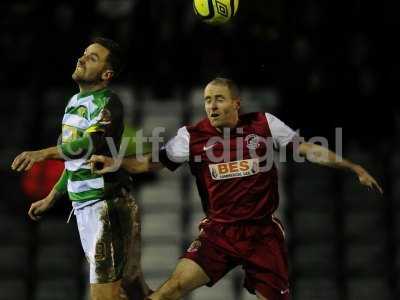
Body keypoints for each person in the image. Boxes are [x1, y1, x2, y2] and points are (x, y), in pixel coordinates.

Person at [88, 77, 383, 300]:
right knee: (171, 289)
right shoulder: (191, 138)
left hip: (262, 234)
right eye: (207, 100)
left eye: (218, 99)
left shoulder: (264, 125)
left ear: (236, 104)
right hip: (220, 234)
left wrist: (353, 167)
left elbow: (306, 149)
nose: (211, 106)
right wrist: (114, 162)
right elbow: (149, 164)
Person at [11, 38, 150, 300]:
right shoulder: (74, 101)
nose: (83, 59)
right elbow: (73, 160)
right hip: (85, 207)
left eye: (93, 58)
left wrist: (44, 153)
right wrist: (52, 196)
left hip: (106, 206)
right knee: (132, 291)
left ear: (106, 74)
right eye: (85, 53)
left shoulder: (109, 102)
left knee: (104, 296)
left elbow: (90, 144)